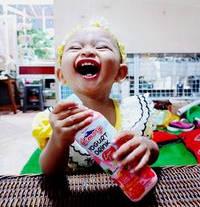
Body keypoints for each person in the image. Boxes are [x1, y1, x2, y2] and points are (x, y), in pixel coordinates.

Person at [32, 19, 159, 175]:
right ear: (61, 75)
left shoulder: (133, 114)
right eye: (75, 47)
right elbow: (50, 171)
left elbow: (152, 153)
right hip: (76, 197)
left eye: (101, 47)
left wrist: (148, 147)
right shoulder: (57, 120)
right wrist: (58, 141)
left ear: (120, 73)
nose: (87, 51)